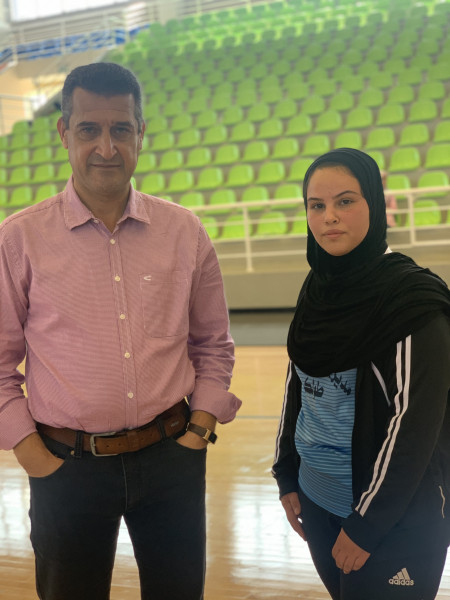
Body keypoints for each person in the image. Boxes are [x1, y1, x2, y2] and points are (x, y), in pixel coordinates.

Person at [0, 62, 241, 600]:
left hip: (172, 456)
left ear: (141, 133)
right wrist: (33, 455)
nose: (106, 147)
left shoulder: (184, 231)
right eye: (89, 129)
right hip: (65, 466)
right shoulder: (18, 240)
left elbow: (212, 345)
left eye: (121, 129)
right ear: (64, 133)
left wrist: (198, 431)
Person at [272, 148, 450, 600]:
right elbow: (298, 383)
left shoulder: (413, 300)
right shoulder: (317, 286)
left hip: (390, 521)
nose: (329, 216)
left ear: (374, 203)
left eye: (345, 201)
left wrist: (368, 524)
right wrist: (287, 473)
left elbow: (413, 427)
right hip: (317, 502)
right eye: (316, 205)